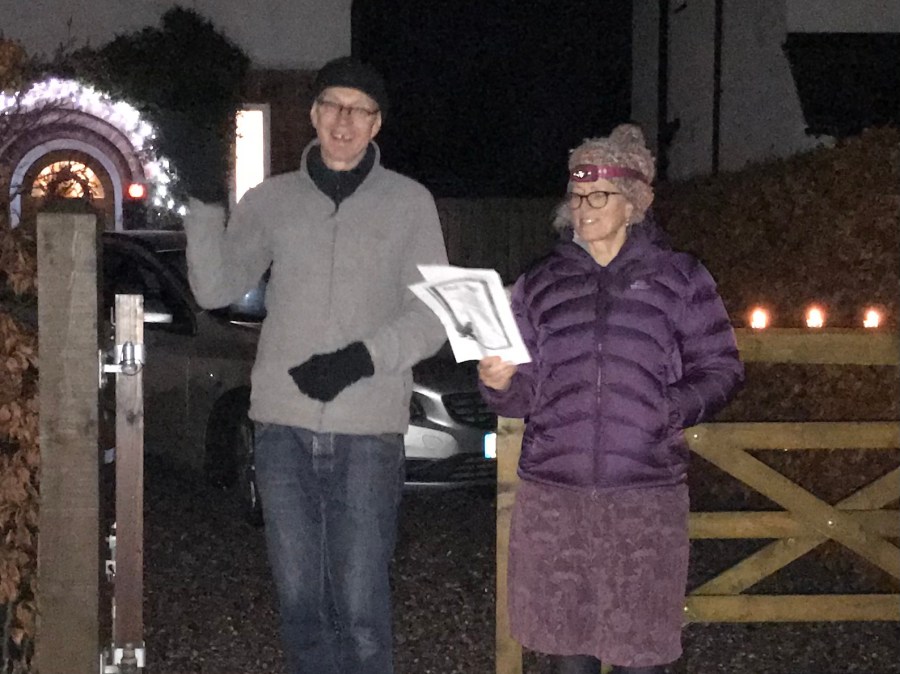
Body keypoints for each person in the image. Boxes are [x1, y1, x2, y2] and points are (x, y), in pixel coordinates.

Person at [182, 56, 448, 674]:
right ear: (313, 113)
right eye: (332, 105)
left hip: (368, 432)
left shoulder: (409, 203)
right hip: (282, 429)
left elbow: (433, 316)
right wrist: (203, 204)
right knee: (300, 605)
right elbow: (217, 287)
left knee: (360, 610)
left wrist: (360, 359)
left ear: (376, 123)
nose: (343, 120)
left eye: (359, 110)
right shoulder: (271, 200)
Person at [478, 124, 743, 674]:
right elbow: (526, 393)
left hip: (644, 499)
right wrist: (499, 383)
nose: (584, 208)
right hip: (556, 499)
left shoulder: (680, 278)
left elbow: (721, 368)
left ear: (633, 203)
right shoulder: (540, 283)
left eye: (599, 196)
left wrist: (667, 411)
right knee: (567, 655)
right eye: (577, 196)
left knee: (640, 657)